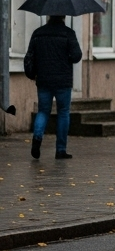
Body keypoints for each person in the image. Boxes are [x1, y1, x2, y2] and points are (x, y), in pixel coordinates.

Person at [24, 14, 82, 160]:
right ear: (63, 17)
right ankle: (60, 150)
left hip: (43, 79)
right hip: (63, 81)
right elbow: (76, 56)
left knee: (43, 111)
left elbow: (30, 55)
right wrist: (65, 57)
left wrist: (32, 73)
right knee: (63, 112)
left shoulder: (38, 33)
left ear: (49, 16)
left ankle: (37, 140)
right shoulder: (68, 33)